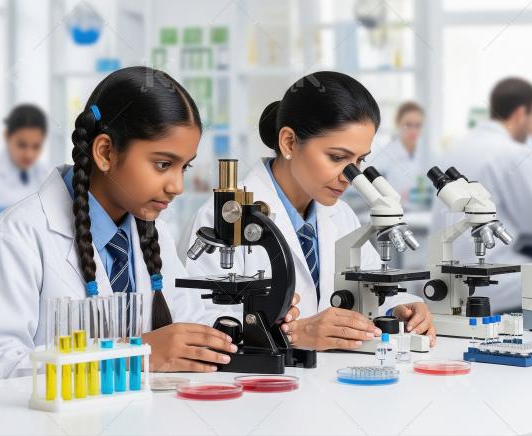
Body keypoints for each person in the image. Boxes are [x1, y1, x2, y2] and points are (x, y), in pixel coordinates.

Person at [0, 67, 300, 383]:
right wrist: (135, 354)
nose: (177, 186)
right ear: (104, 152)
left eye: (185, 167)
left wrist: (258, 326)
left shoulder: (153, 233)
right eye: (163, 164)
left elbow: (186, 328)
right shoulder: (16, 238)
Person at [180, 71, 436, 351]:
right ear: (289, 142)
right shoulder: (224, 216)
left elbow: (374, 289)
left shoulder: (342, 215)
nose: (349, 176)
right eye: (337, 158)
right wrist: (293, 334)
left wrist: (402, 308)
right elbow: (195, 323)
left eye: (359, 161)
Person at [430, 77, 532, 313]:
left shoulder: (459, 146)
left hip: (445, 271)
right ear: (521, 113)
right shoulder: (514, 152)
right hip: (487, 279)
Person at [0, 104, 50, 208]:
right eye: (22, 145)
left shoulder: (46, 174)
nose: (29, 154)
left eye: (36, 146)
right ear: (6, 136)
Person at [367, 101, 425, 199]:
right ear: (398, 123)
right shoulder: (386, 153)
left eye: (418, 125)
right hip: (394, 209)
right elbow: (370, 185)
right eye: (408, 125)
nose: (413, 131)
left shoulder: (426, 153)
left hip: (421, 210)